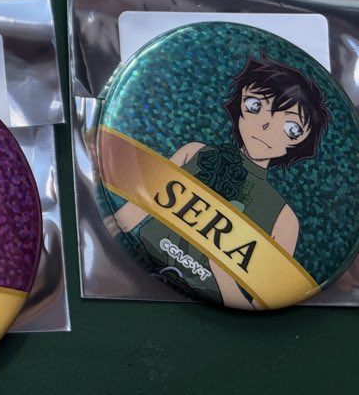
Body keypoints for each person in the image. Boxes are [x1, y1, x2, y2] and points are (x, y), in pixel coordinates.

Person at [109, 55, 329, 309]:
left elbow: (262, 304)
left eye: (291, 128)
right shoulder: (194, 153)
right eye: (255, 106)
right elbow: (128, 216)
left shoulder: (285, 219)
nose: (266, 125)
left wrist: (224, 275)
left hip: (203, 314)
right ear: (239, 105)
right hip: (129, 271)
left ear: (301, 141)